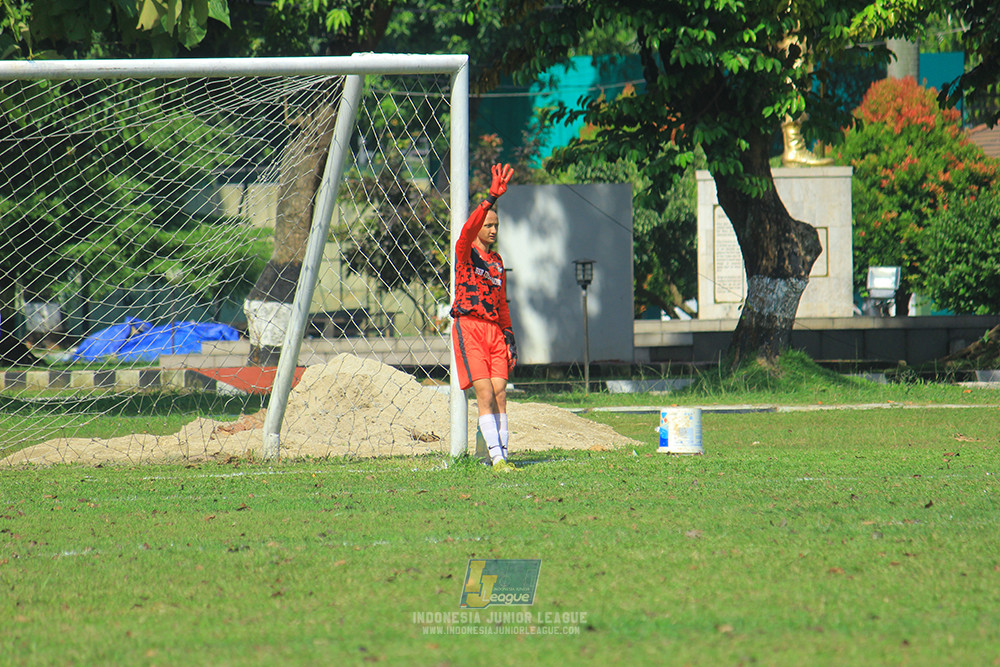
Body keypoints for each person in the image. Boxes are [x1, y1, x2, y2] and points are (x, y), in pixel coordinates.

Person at [451, 163, 519, 473]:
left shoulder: (497, 262)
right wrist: (490, 198)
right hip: (470, 327)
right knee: (484, 393)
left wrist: (509, 334)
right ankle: (496, 459)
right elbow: (466, 229)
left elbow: (502, 302)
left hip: (494, 332)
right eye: (489, 224)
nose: (493, 229)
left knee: (501, 392)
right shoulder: (466, 251)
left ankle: (504, 454)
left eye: (497, 225)